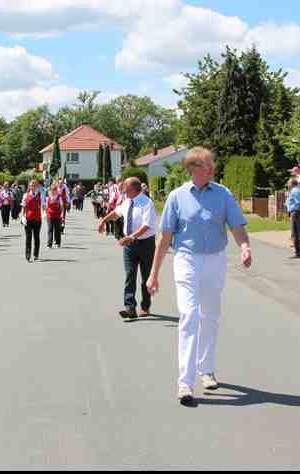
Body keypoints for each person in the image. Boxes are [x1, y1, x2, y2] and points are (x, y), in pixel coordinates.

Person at [145, 148, 252, 405]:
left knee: (210, 316)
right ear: (193, 169)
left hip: (215, 260)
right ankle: (185, 382)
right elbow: (165, 238)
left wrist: (244, 247)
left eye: (211, 164)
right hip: (187, 260)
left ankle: (206, 369)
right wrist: (153, 274)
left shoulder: (223, 194)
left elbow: (237, 225)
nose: (212, 168)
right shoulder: (177, 197)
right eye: (206, 165)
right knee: (189, 315)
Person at [98, 177, 157, 319]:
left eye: (125, 188)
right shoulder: (127, 201)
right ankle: (130, 307)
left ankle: (145, 306)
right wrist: (104, 220)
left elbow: (146, 225)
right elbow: (116, 213)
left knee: (146, 276)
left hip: (145, 243)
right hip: (129, 245)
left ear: (134, 189)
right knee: (130, 274)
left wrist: (131, 237)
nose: (123, 190)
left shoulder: (147, 203)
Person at [285, 177, 300, 259]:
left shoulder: (294, 191)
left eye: (288, 183)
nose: (287, 184)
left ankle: (298, 253)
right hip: (298, 212)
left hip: (295, 212)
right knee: (298, 233)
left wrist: (299, 211)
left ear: (292, 184)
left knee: (295, 233)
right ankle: (299, 252)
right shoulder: (299, 190)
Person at [22, 179, 42, 262]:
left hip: (37, 218)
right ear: (29, 187)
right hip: (28, 218)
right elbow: (23, 206)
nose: (32, 187)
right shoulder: (25, 195)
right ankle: (28, 254)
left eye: (34, 186)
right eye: (31, 186)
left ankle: (36, 254)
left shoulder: (40, 195)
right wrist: (23, 216)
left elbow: (44, 205)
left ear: (37, 187)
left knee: (36, 237)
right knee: (28, 237)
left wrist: (44, 213)